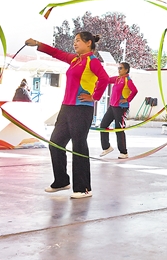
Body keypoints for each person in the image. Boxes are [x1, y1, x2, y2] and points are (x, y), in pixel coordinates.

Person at [25, 33, 109, 199]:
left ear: (88, 43)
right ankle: (61, 181)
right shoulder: (75, 59)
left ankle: (84, 188)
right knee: (55, 143)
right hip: (66, 107)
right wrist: (38, 43)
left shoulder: (92, 61)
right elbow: (57, 53)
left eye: (78, 41)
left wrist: (94, 97)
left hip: (82, 108)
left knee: (79, 147)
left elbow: (104, 79)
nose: (74, 43)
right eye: (74, 41)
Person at [99, 62, 138, 159]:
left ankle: (124, 152)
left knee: (118, 128)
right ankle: (106, 147)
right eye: (118, 68)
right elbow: (107, 79)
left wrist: (127, 99)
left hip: (121, 107)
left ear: (126, 70)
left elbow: (134, 91)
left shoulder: (128, 80)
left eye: (121, 68)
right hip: (113, 106)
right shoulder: (117, 79)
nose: (119, 70)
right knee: (103, 125)